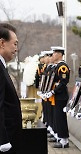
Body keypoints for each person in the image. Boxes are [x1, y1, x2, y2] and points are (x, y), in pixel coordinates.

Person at [0, 23, 22, 154]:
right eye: (14, 44)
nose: (16, 48)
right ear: (2, 43)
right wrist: (2, 140)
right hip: (5, 140)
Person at [46, 46, 70, 148]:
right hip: (57, 95)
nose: (53, 55)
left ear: (60, 54)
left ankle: (64, 140)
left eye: (55, 53)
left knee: (60, 118)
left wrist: (54, 91)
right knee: (57, 117)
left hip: (61, 95)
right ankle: (59, 137)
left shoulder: (62, 66)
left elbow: (63, 82)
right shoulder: (57, 66)